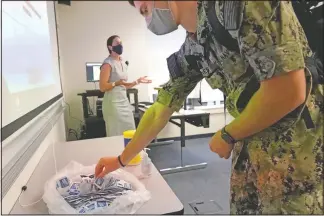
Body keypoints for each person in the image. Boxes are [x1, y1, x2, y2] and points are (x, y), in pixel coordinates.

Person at [95, 1, 323, 214]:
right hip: (250, 154)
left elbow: (288, 91)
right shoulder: (194, 46)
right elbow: (159, 109)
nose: (149, 21)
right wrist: (121, 159)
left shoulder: (240, 6)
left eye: (145, 10)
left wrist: (228, 134)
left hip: (299, 155)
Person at [99, 35, 151, 137]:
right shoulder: (107, 64)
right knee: (116, 133)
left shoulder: (122, 62)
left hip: (124, 102)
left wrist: (137, 81)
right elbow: (102, 87)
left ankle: (130, 153)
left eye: (121, 43)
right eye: (117, 43)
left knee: (130, 131)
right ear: (110, 47)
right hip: (113, 103)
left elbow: (123, 85)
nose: (120, 45)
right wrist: (115, 83)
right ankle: (117, 152)